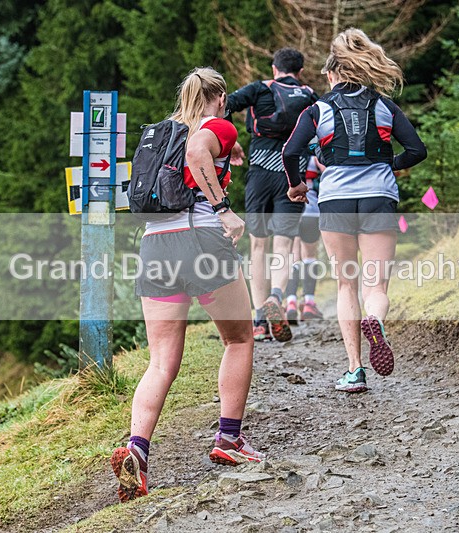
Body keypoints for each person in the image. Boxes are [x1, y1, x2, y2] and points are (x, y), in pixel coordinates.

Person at [111, 67, 264, 503]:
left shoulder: (163, 132)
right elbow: (199, 153)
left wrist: (224, 157)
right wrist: (224, 209)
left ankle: (137, 452)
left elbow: (189, 159)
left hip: (156, 245)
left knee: (160, 361)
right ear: (219, 98)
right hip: (200, 239)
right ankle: (229, 440)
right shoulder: (216, 125)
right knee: (239, 338)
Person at [282, 29, 427, 392]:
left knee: (346, 284)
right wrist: (387, 164)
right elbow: (417, 150)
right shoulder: (384, 106)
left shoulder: (318, 109)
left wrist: (297, 184)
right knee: (375, 284)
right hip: (379, 195)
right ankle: (374, 319)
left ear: (332, 74)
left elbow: (290, 152)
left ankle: (355, 370)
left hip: (335, 200)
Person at [225, 48, 317, 343]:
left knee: (259, 247)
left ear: (274, 68)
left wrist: (233, 141)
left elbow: (221, 106)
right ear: (299, 71)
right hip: (294, 175)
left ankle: (260, 321)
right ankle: (277, 296)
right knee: (285, 246)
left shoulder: (260, 89)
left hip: (261, 173)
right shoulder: (310, 96)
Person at [284, 154, 325, 323]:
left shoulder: (288, 157)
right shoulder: (315, 158)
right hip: (311, 210)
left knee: (293, 257)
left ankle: (291, 302)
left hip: (290, 210)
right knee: (310, 256)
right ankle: (309, 303)